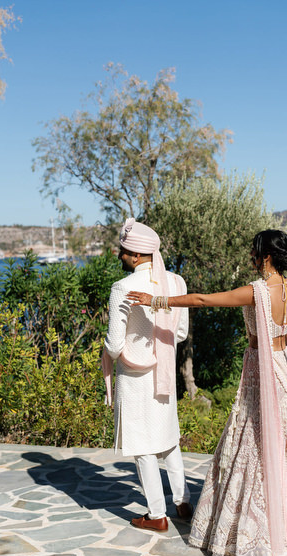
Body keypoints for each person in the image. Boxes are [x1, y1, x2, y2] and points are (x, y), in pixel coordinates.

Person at [127, 229, 287, 556]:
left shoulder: (257, 292)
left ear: (264, 256)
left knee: (253, 438)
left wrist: (157, 301)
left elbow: (203, 300)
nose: (250, 256)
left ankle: (258, 530)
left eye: (254, 251)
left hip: (259, 369)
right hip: (282, 367)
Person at [102, 218, 192, 533]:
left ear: (138, 256)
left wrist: (107, 350)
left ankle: (157, 514)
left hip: (134, 378)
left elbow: (114, 346)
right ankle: (183, 501)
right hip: (165, 372)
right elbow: (180, 333)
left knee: (142, 445)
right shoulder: (177, 282)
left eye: (124, 251)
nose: (119, 255)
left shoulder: (122, 288)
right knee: (168, 440)